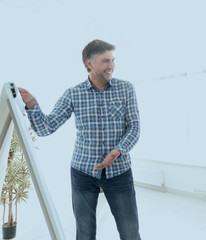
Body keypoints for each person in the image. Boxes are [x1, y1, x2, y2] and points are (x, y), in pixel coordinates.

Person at [19, 39, 141, 240]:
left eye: (112, 60)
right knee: (84, 233)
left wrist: (116, 151)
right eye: (105, 61)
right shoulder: (73, 94)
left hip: (119, 172)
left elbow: (134, 127)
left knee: (130, 232)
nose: (111, 66)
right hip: (83, 173)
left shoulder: (125, 89)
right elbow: (46, 128)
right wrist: (32, 104)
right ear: (89, 63)